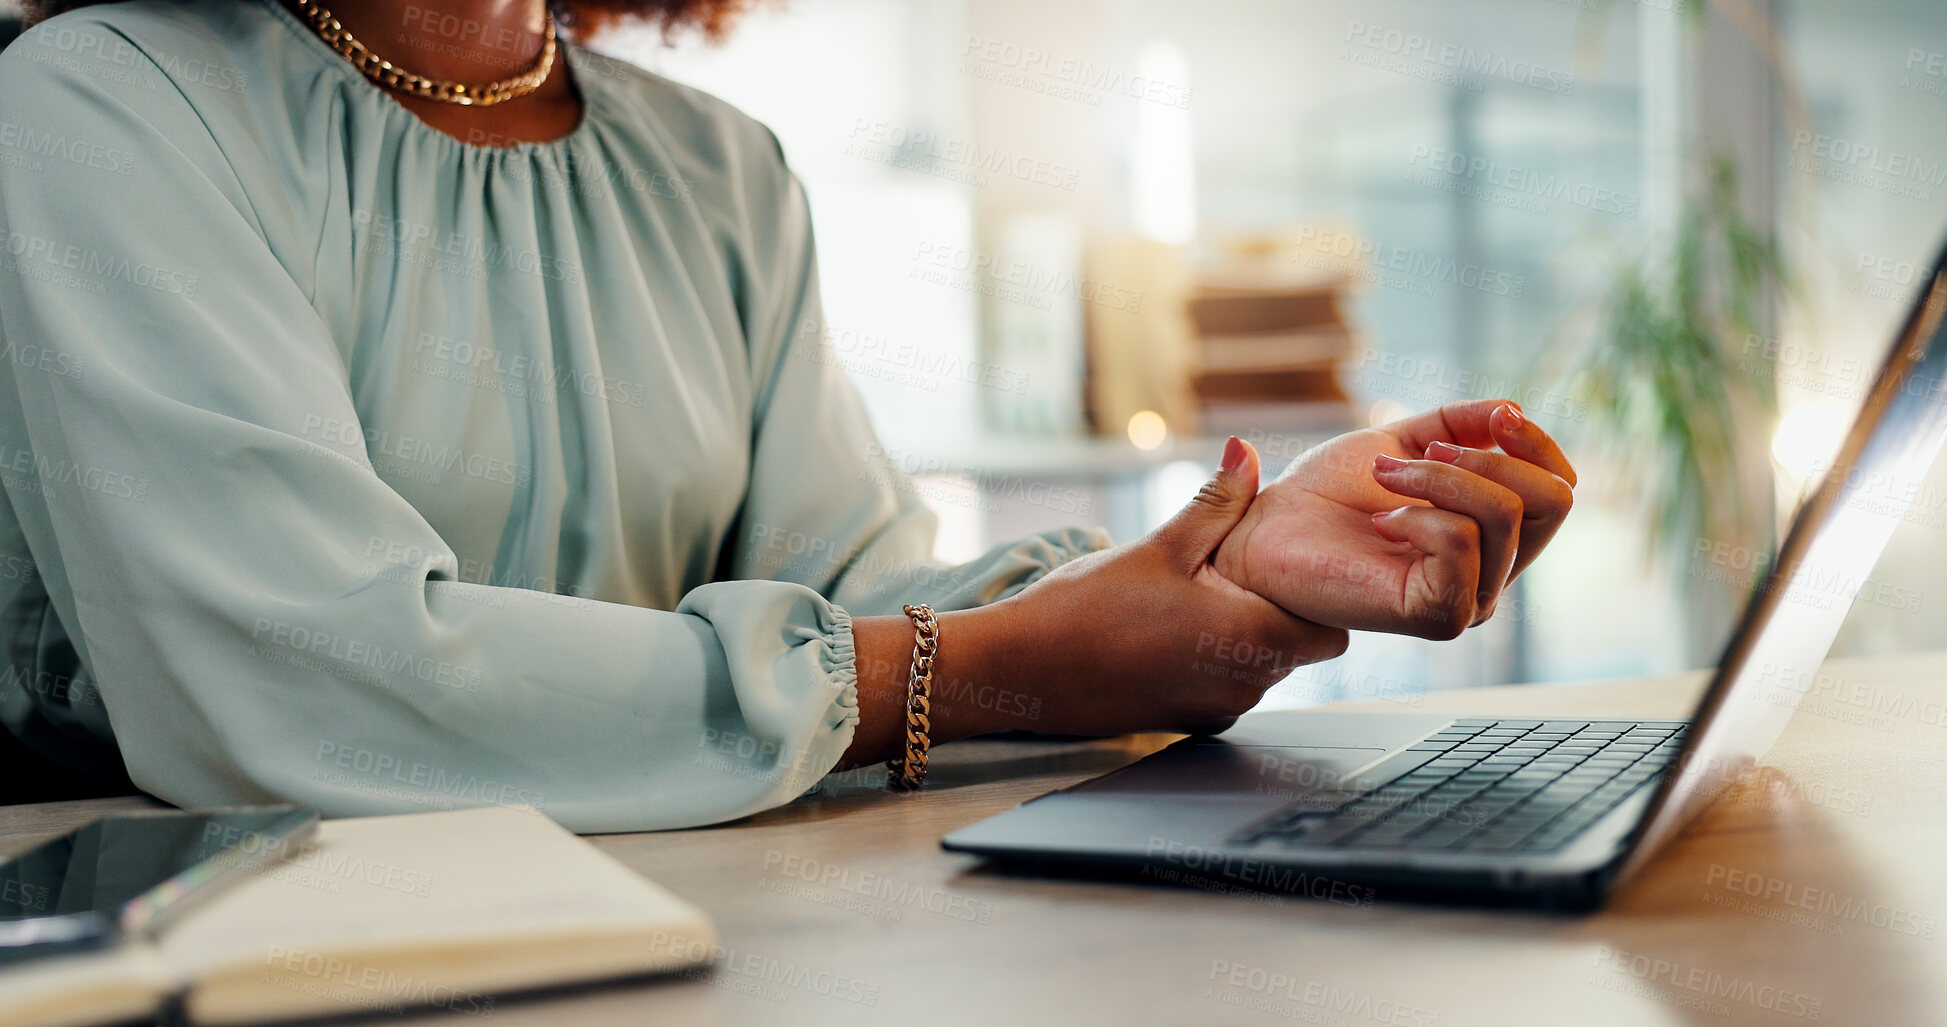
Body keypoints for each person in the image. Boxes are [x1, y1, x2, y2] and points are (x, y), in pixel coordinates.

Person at [0, 0, 1575, 829]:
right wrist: (978, 672)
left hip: (682, 925)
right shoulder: (97, 100)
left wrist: (1231, 556)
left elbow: (865, 588)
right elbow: (306, 682)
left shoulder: (715, 166)